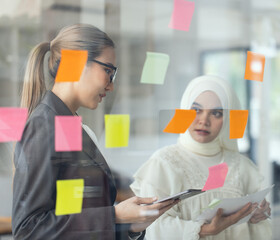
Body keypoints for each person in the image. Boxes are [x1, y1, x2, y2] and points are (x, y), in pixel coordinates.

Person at [12, 24, 177, 240]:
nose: (111, 86)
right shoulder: (43, 126)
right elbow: (28, 230)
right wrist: (114, 215)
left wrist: (129, 226)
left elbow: (70, 218)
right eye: (108, 71)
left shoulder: (68, 124)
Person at [130, 75, 272, 239]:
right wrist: (203, 230)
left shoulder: (241, 166)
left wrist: (259, 215)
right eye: (196, 110)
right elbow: (154, 227)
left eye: (216, 113)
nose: (203, 120)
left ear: (227, 119)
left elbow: (259, 229)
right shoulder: (164, 163)